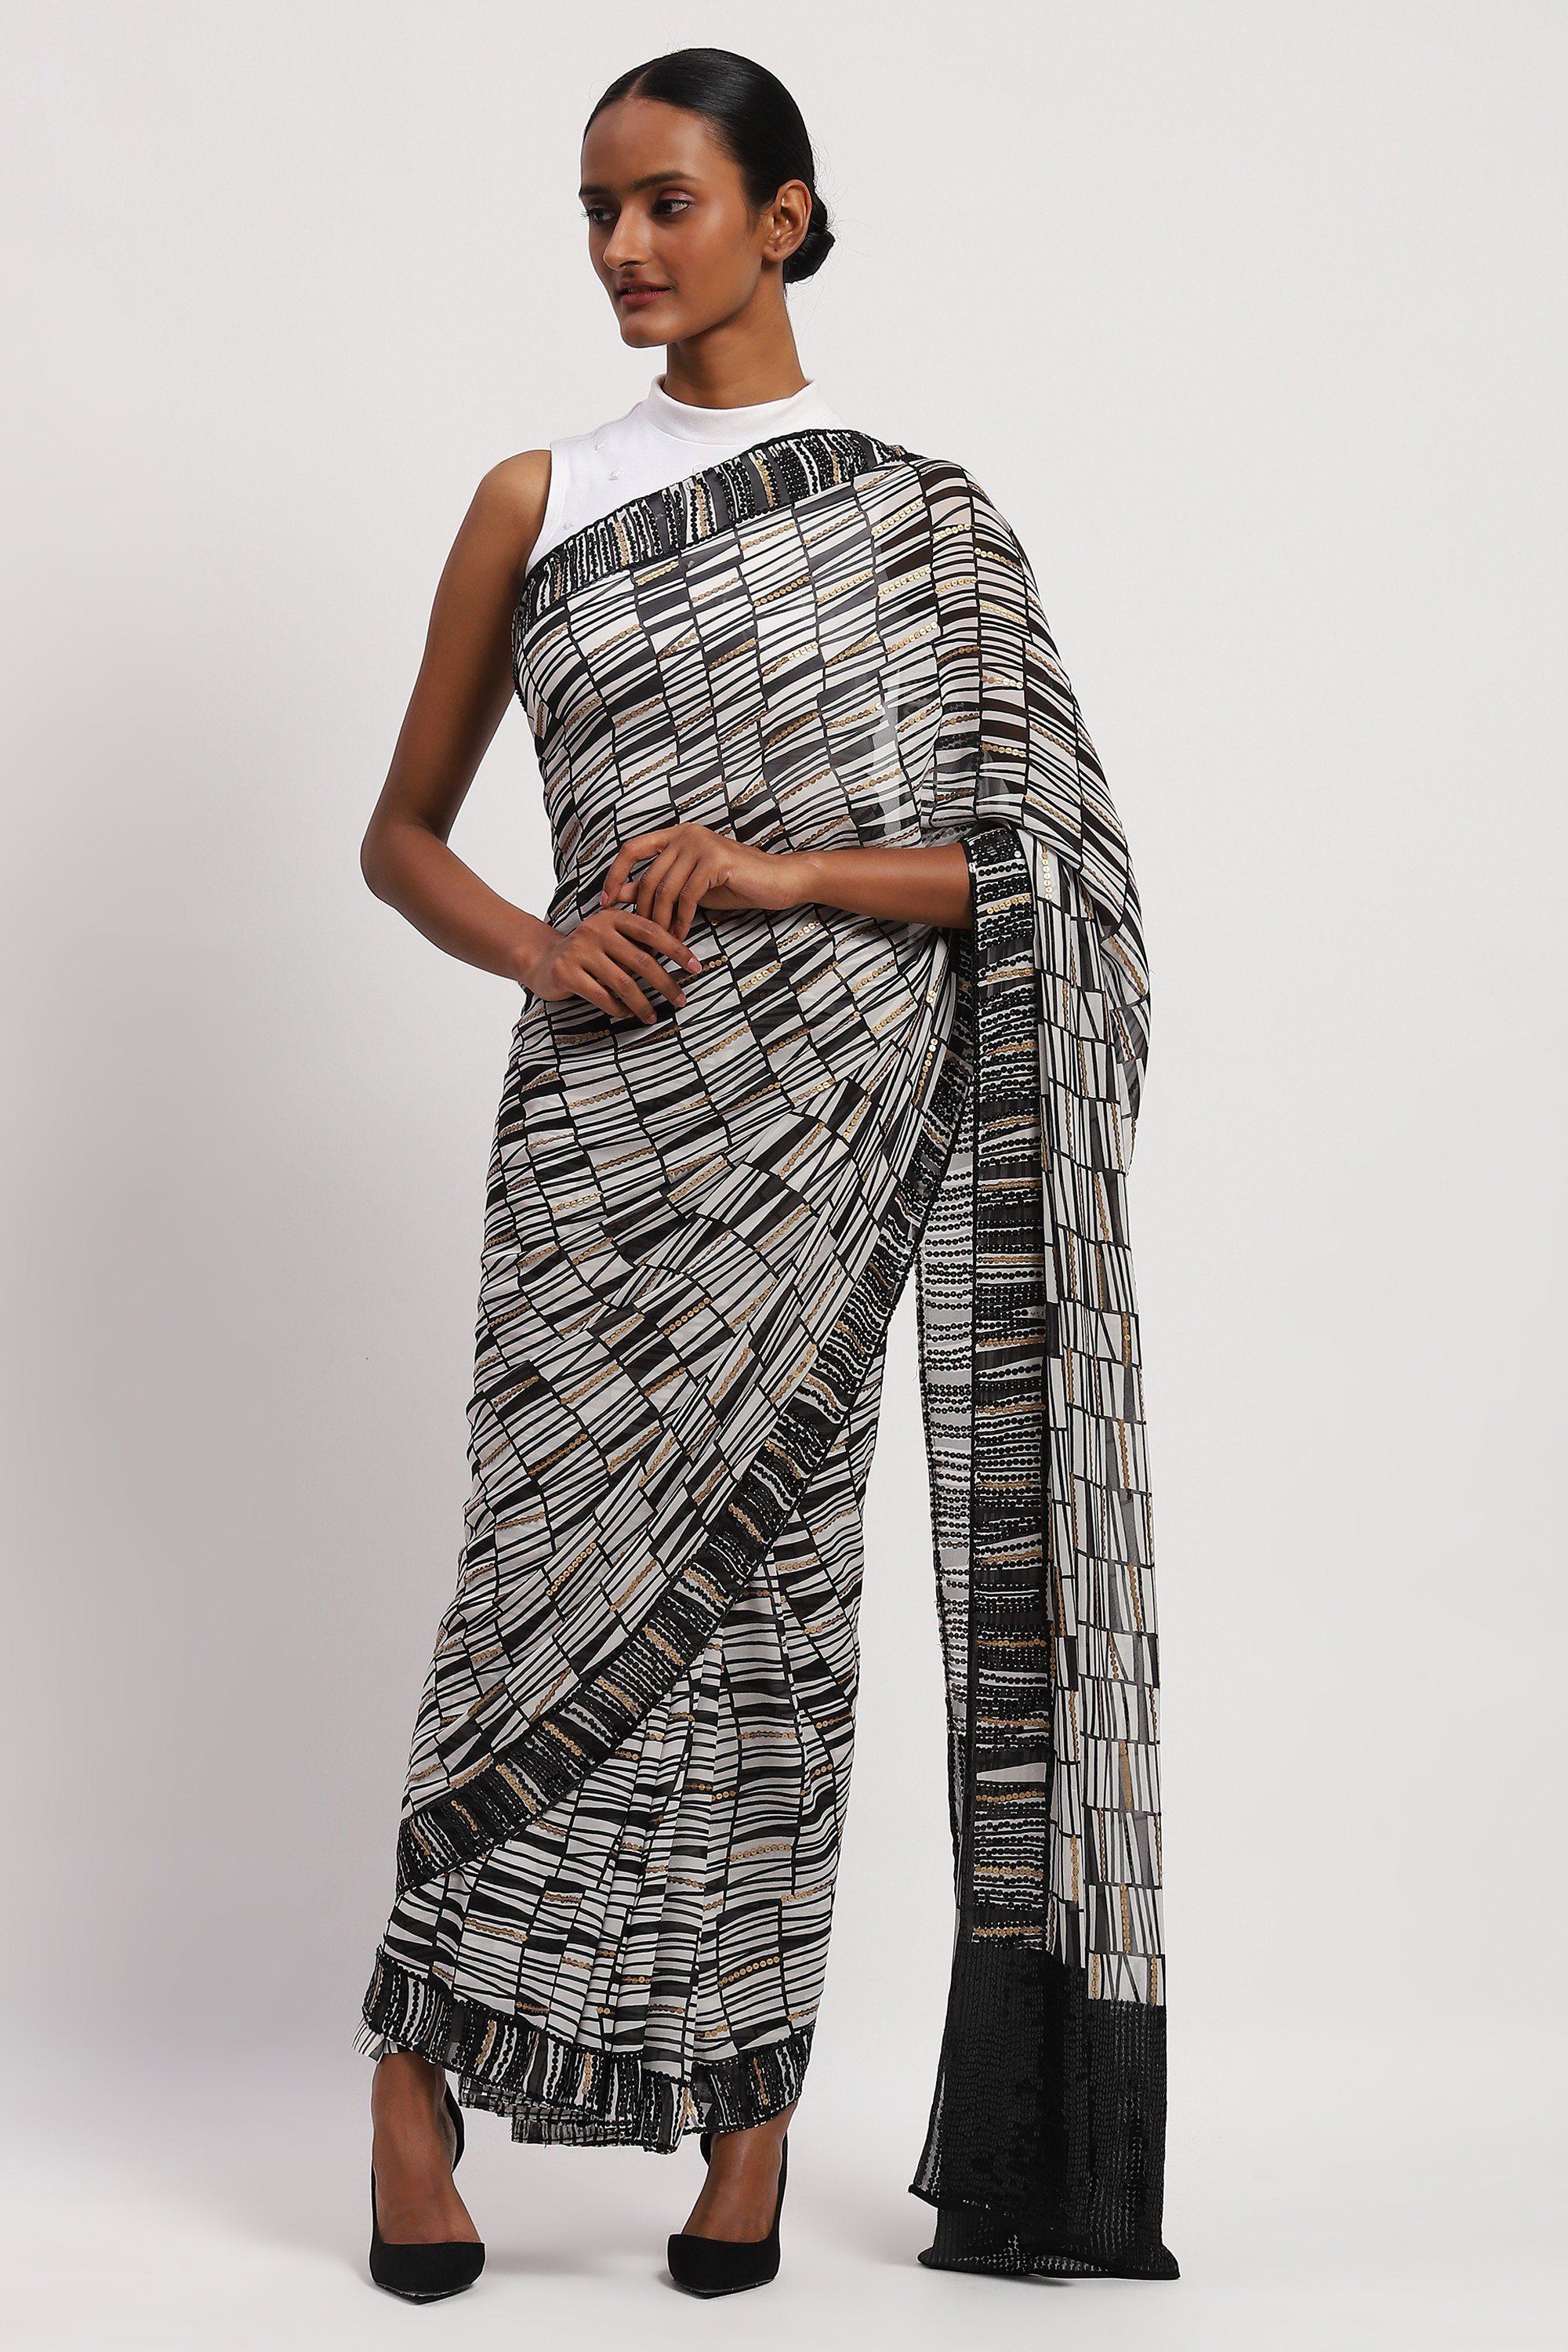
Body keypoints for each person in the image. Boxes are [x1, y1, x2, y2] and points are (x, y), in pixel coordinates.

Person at [355, 43, 1178, 2302]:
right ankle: (413, 2098)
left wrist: (778, 866)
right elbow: (400, 833)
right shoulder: (537, 496)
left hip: (822, 1155)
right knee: (525, 1599)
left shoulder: (929, 525)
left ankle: (748, 2131)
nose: (624, 248)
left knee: (782, 1636)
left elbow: (1045, 874)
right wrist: (543, 945)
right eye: (597, 211)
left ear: (784, 218)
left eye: (668, 204)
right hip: (600, 1146)